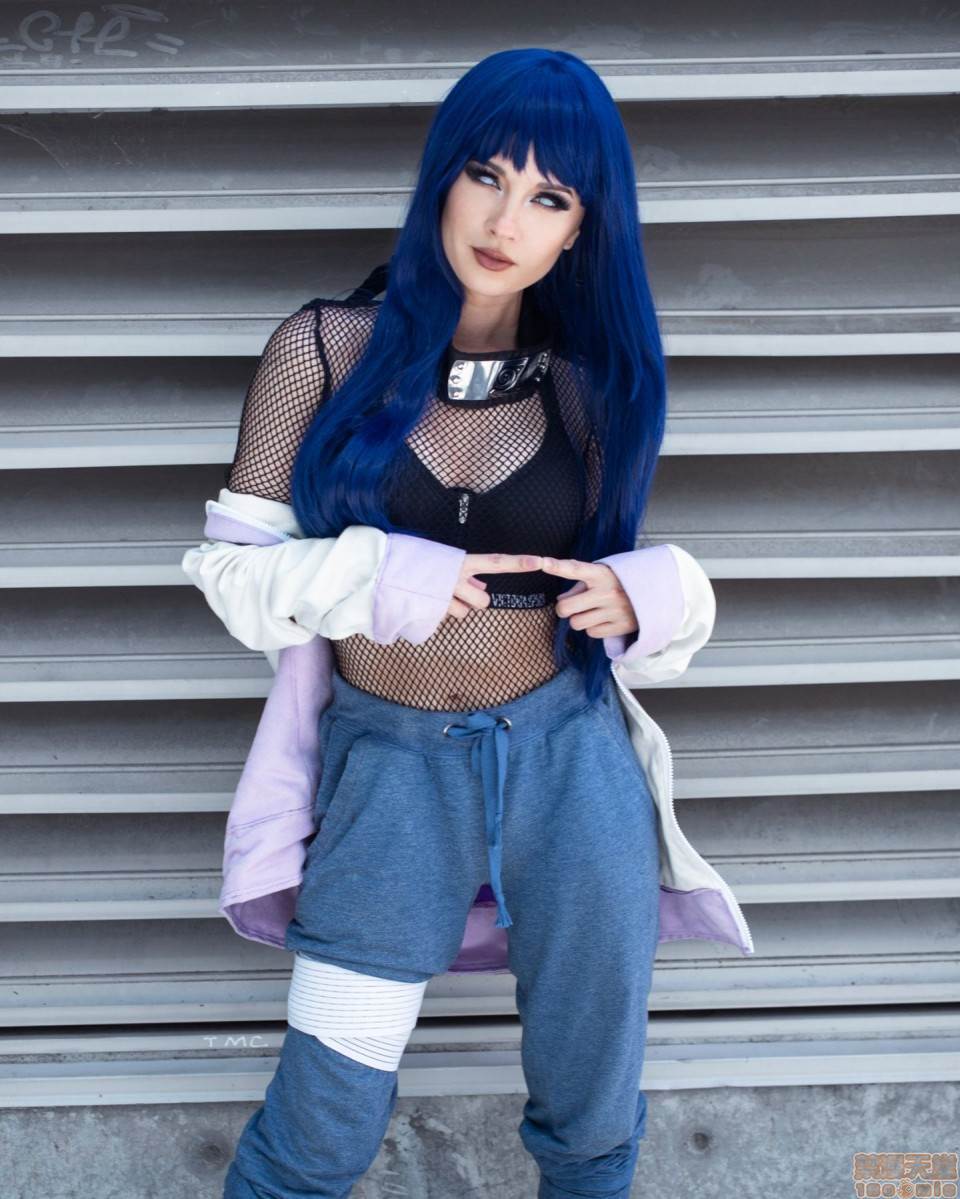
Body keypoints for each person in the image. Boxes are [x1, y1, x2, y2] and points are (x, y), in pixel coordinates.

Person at [185, 46, 724, 1199]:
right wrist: (381, 573)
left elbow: (628, 582)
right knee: (317, 1132)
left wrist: (653, 592)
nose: (505, 219)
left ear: (580, 229)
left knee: (591, 1118)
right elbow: (231, 580)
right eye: (486, 175)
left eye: (549, 196)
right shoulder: (323, 349)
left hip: (570, 762)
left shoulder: (592, 380)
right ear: (442, 177)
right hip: (388, 769)